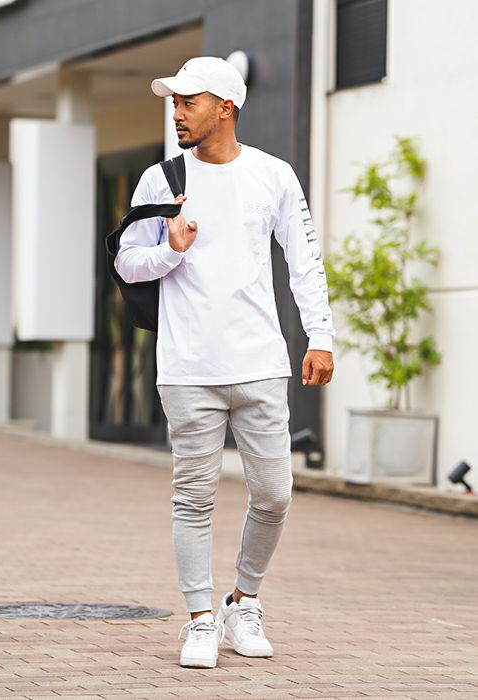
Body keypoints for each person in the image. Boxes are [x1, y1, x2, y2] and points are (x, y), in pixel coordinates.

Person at [115, 56, 335, 669]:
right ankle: (199, 620)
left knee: (275, 495)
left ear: (225, 107)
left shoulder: (274, 175)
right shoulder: (160, 180)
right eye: (174, 102)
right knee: (193, 498)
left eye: (189, 102)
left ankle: (243, 601)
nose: (177, 112)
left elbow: (304, 262)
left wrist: (321, 335)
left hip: (260, 361)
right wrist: (170, 250)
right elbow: (126, 262)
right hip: (187, 367)